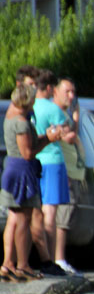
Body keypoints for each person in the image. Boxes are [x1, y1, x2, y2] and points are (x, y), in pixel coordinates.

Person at [2, 67, 67, 277]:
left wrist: (46, 137)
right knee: (23, 220)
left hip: (17, 169)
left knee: (17, 218)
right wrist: (48, 139)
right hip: (21, 172)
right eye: (30, 88)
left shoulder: (15, 115)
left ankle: (10, 264)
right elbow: (28, 153)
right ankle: (22, 265)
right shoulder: (20, 121)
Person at [32, 69, 77, 270]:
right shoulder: (52, 109)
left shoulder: (30, 106)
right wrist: (74, 118)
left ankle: (38, 257)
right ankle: (50, 260)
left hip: (34, 160)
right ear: (50, 88)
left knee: (36, 213)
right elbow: (68, 134)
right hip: (52, 160)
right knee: (50, 213)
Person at [52, 76, 84, 276]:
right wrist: (74, 121)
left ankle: (59, 258)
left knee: (66, 217)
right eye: (67, 91)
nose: (71, 96)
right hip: (63, 173)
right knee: (61, 219)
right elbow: (68, 138)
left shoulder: (65, 113)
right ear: (55, 91)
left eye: (73, 92)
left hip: (71, 172)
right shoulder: (56, 113)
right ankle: (58, 258)